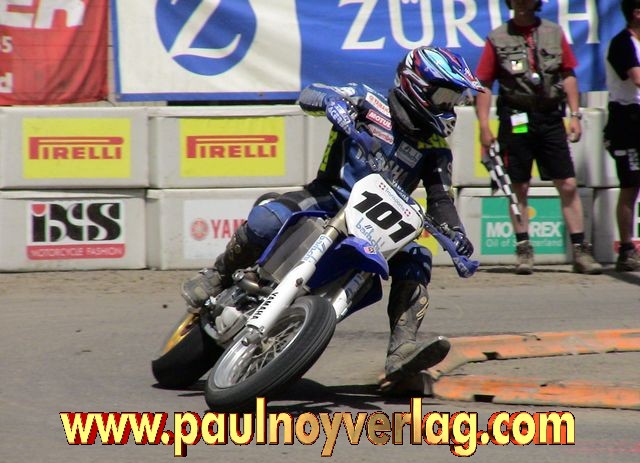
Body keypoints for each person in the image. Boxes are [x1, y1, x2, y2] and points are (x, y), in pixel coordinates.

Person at [181, 47, 483, 383]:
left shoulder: (435, 148)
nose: (449, 106)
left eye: (454, 99)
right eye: (444, 96)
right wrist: (331, 102)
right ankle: (217, 275)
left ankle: (402, 350)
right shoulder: (368, 99)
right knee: (266, 220)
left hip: (379, 226)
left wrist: (457, 235)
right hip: (328, 197)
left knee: (417, 257)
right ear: (416, 85)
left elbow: (441, 199)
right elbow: (311, 93)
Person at [474, 0, 602, 275]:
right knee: (518, 186)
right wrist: (483, 126)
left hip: (550, 118)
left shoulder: (553, 32)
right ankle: (524, 250)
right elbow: (483, 83)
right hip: (516, 119)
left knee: (568, 184)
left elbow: (568, 74)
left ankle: (581, 250)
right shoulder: (497, 37)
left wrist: (575, 115)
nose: (522, 3)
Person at [603, 0, 640, 272]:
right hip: (628, 121)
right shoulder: (622, 43)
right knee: (631, 184)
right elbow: (636, 78)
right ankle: (626, 249)